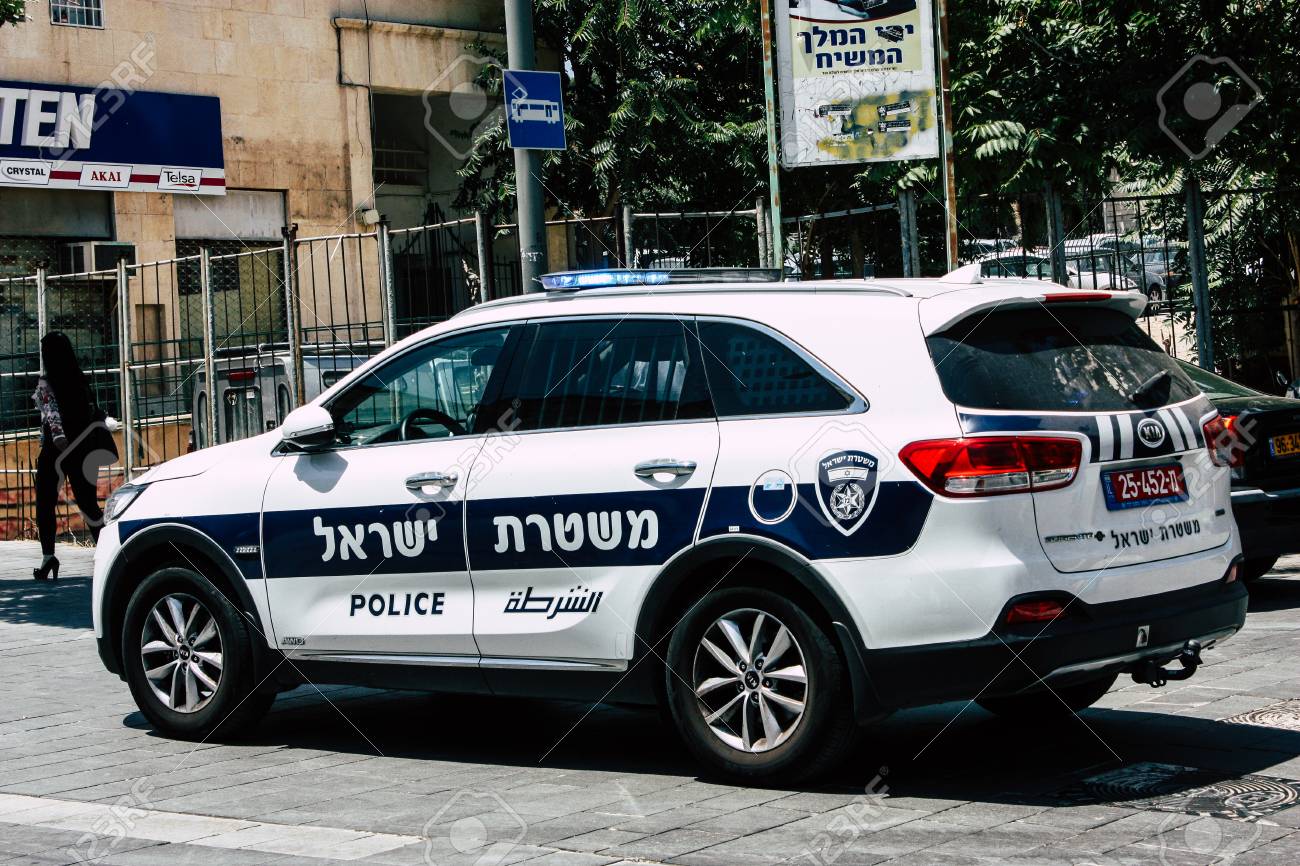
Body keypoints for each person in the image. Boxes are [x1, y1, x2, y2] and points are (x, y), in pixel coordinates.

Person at [32, 332, 107, 580]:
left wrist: (57, 439)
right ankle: (107, 555)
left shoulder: (46, 382)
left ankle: (48, 557)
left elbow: (52, 417)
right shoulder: (79, 379)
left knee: (45, 502)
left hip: (57, 450)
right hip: (84, 448)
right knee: (88, 505)